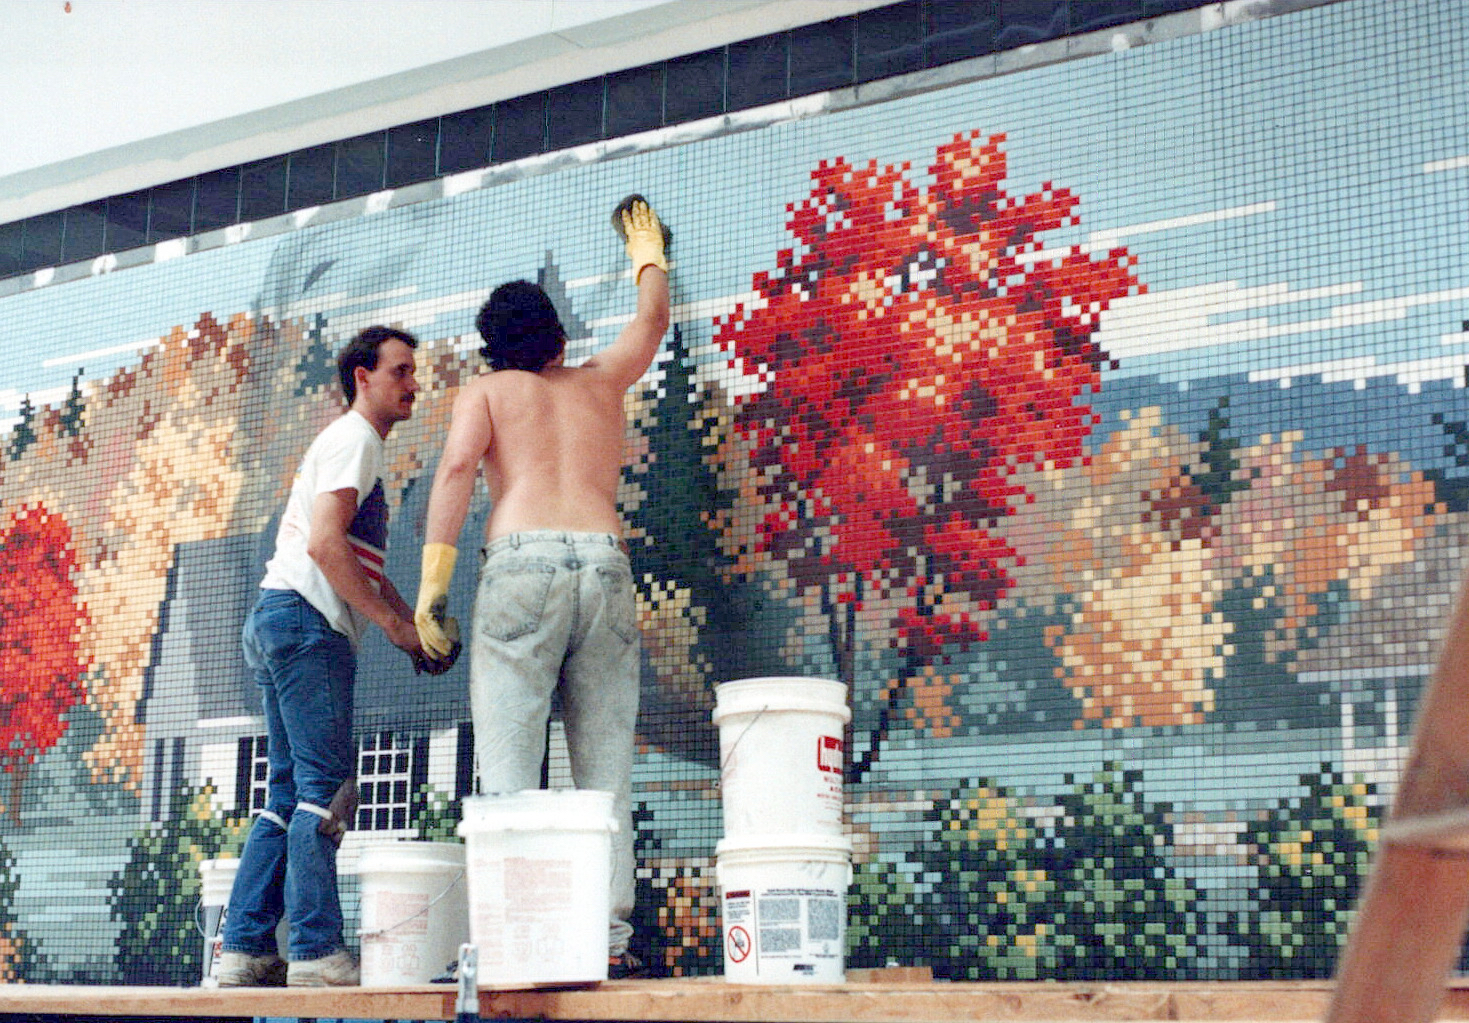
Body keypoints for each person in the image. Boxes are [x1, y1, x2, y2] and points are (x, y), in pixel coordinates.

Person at [414, 197, 670, 979]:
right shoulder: (599, 383)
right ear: (558, 339)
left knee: (510, 768)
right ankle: (609, 942)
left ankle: (517, 942)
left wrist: (432, 587)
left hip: (520, 564)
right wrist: (646, 251)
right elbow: (652, 320)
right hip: (602, 562)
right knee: (604, 773)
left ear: (492, 350)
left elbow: (458, 469)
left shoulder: (485, 395)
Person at [218, 326, 434, 988]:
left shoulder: (348, 443)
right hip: (308, 622)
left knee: (287, 790)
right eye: (399, 370)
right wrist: (393, 625)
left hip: (277, 617)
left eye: (412, 372)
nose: (412, 383)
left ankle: (245, 947)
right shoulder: (356, 439)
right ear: (361, 376)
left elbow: (355, 556)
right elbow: (324, 545)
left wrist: (411, 617)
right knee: (326, 789)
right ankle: (314, 949)